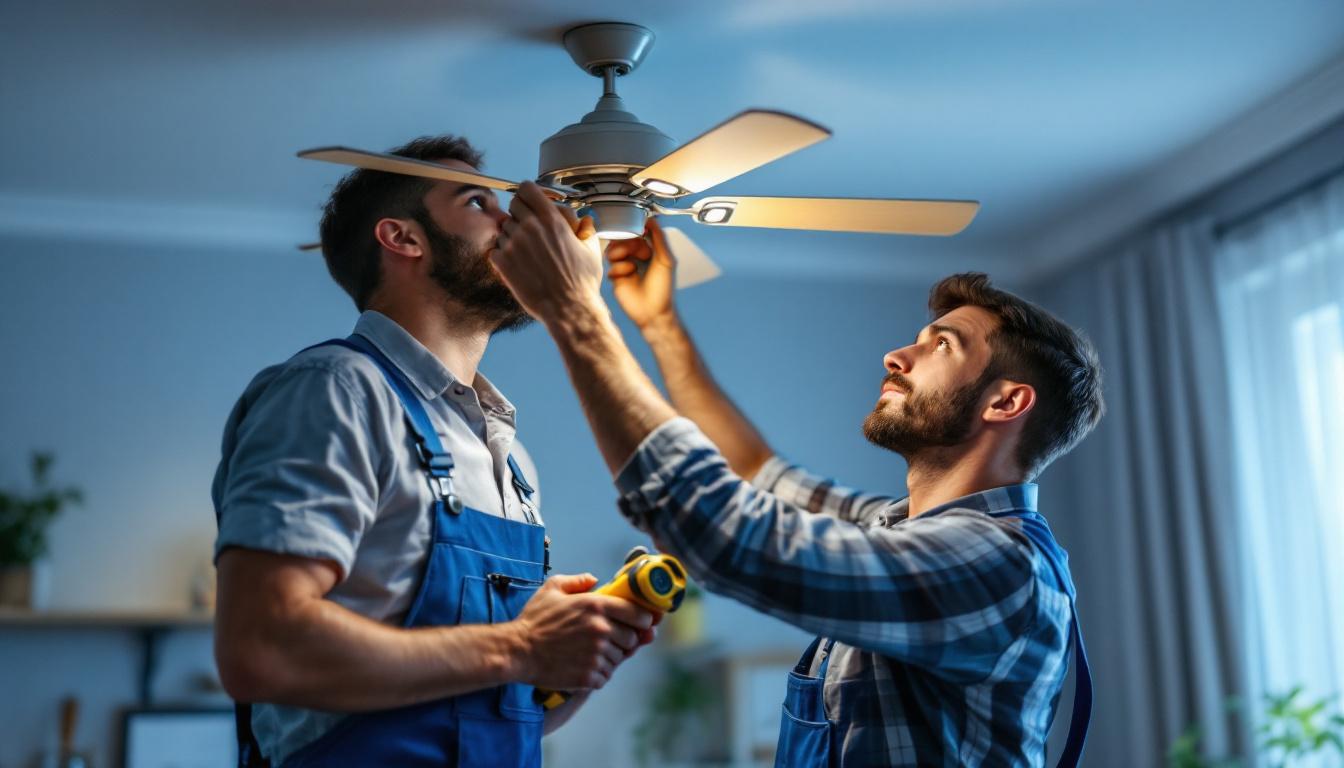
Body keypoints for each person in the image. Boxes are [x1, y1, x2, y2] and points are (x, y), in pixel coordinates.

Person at [488, 182, 1105, 767]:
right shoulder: (899, 530)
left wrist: (575, 310)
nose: (897, 355)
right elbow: (757, 473)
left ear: (1005, 404)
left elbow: (729, 534)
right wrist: (658, 323)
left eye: (941, 346)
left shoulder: (998, 566)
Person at [210, 137, 653, 768]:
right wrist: (522, 646)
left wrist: (575, 659)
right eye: (479, 202)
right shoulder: (338, 389)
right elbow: (262, 647)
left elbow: (488, 709)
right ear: (404, 238)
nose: (511, 221)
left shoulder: (511, 460)